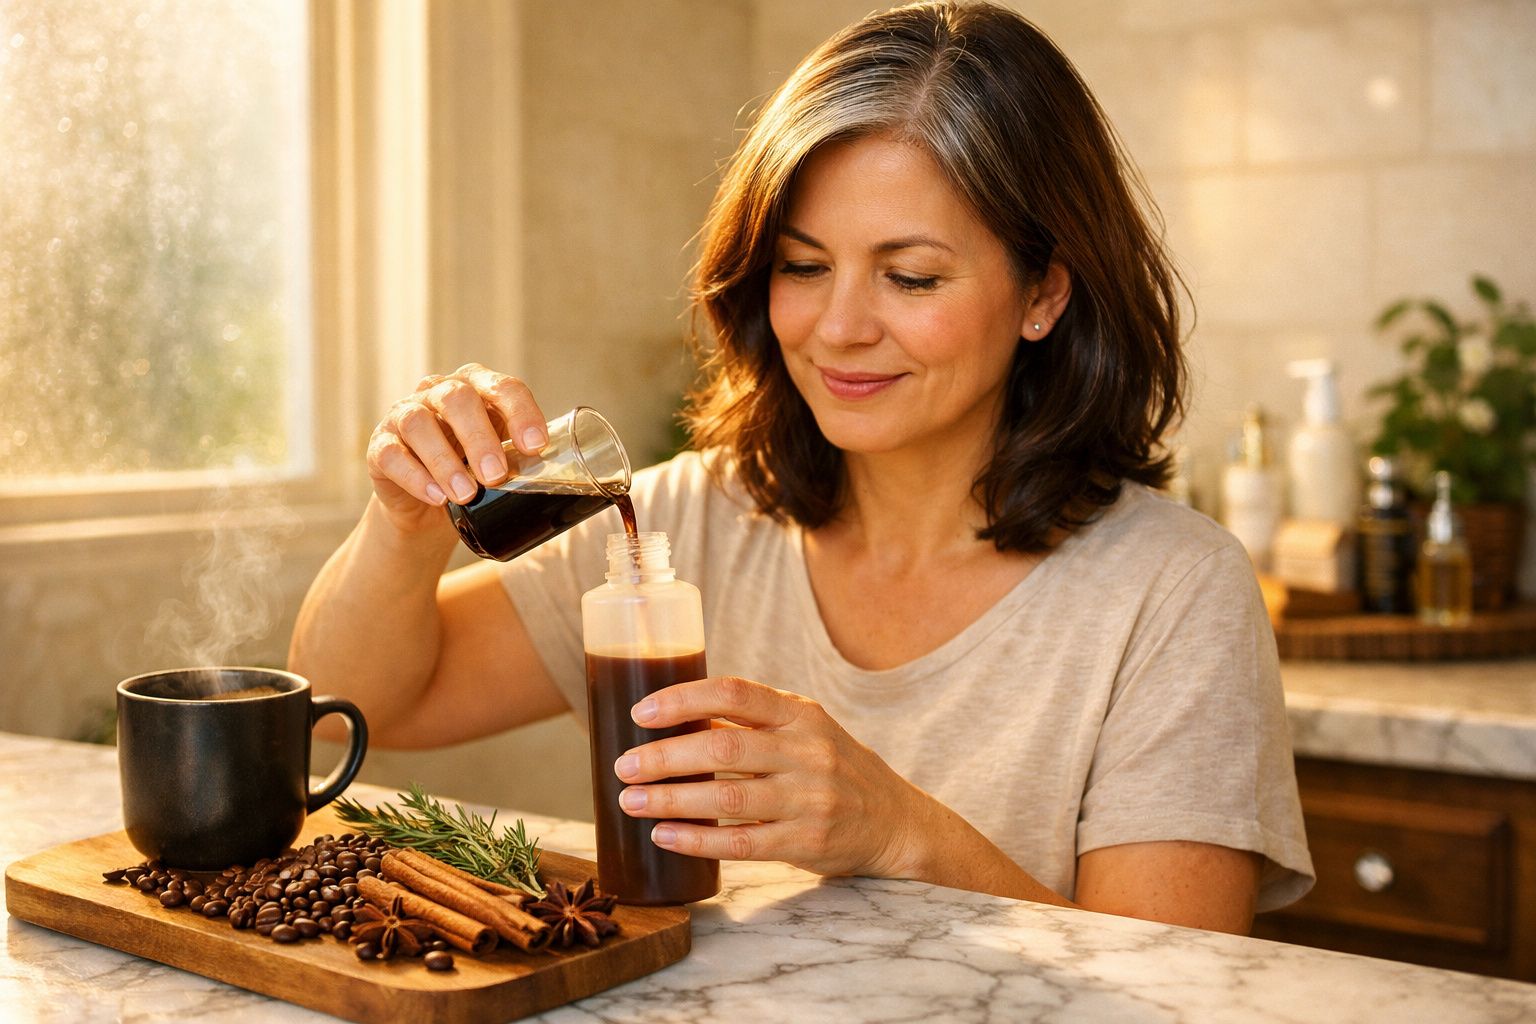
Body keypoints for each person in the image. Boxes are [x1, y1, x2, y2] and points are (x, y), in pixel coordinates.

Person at [290, 0, 1313, 934]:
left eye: (910, 276)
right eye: (803, 265)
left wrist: (901, 831)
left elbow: (1177, 987)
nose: (838, 327)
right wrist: (403, 521)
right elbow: (357, 701)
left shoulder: (1173, 592)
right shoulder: (694, 514)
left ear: (1043, 294)